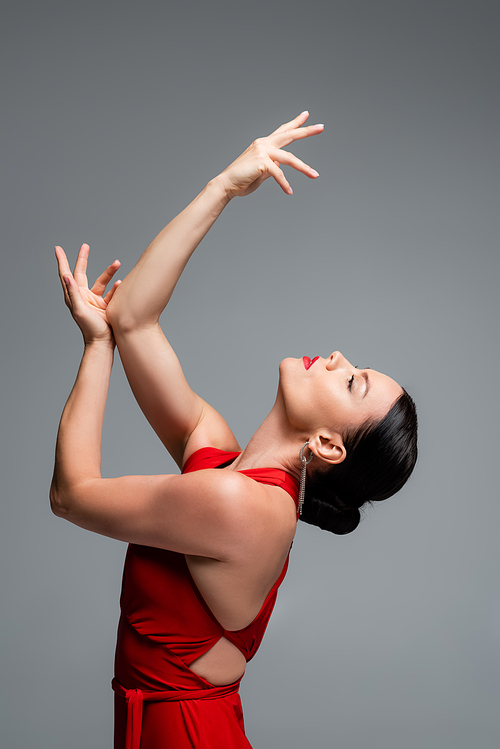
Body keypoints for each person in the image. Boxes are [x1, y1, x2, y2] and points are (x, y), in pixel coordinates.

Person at [51, 111, 417, 749]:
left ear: (329, 445)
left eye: (352, 381)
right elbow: (135, 316)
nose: (336, 357)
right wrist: (226, 184)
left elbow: (72, 495)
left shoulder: (237, 504)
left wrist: (95, 349)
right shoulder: (221, 460)